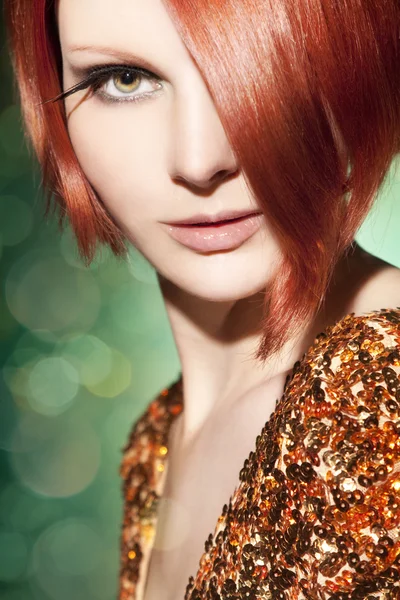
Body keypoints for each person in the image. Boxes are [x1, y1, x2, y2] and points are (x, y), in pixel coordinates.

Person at [4, 0, 400, 598]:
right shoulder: (156, 442)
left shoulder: (383, 397)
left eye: (262, 65)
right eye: (124, 80)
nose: (200, 160)